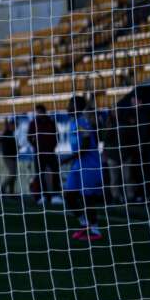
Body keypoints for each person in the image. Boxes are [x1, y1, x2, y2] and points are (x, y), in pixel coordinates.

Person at [63, 95, 106, 242]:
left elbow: (86, 145)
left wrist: (67, 159)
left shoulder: (83, 123)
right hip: (78, 164)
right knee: (68, 195)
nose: (68, 107)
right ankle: (85, 224)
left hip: (89, 164)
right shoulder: (73, 123)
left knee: (86, 198)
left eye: (71, 104)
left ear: (77, 107)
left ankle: (95, 231)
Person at [28, 104, 60, 209]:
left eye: (39, 112)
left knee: (55, 172)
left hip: (50, 152)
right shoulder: (33, 123)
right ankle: (43, 196)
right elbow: (29, 137)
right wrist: (35, 146)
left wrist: (53, 146)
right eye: (37, 112)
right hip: (39, 153)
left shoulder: (51, 122)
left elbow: (57, 135)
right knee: (40, 175)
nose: (38, 114)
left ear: (44, 112)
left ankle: (55, 195)